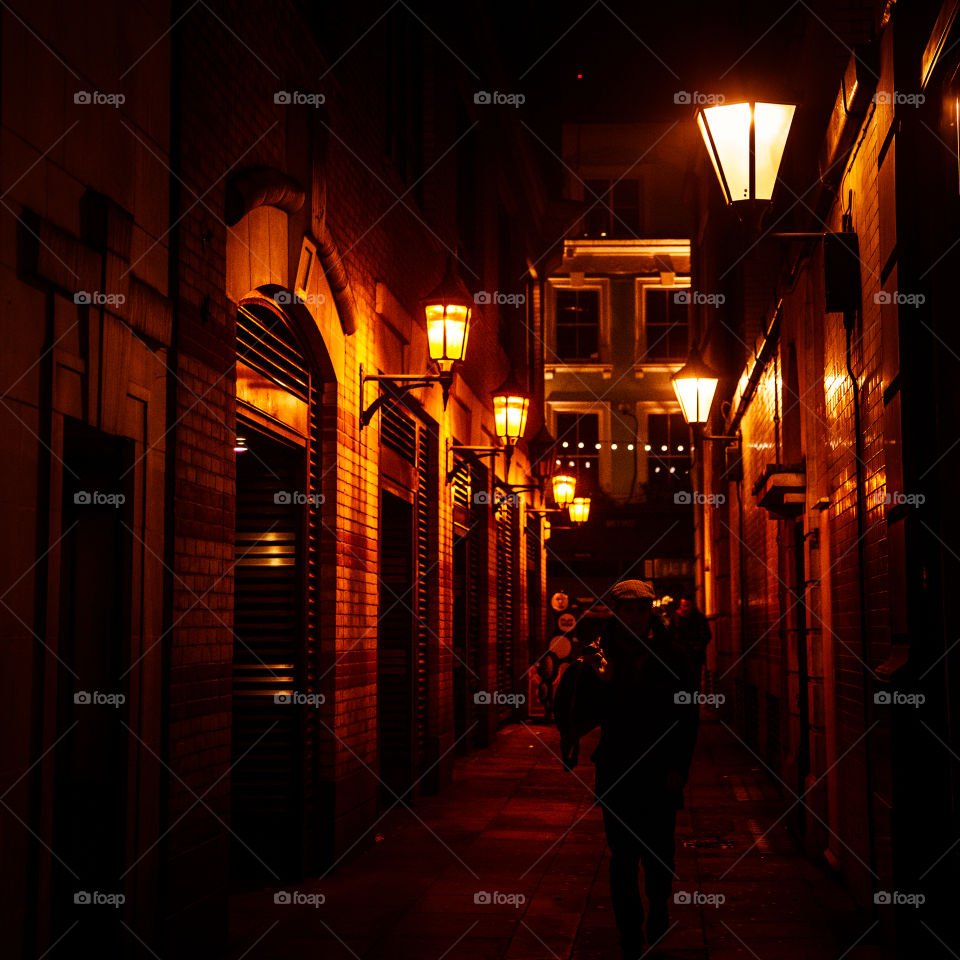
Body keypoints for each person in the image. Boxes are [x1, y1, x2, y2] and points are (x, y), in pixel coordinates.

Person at [554, 579, 700, 958]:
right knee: (622, 857)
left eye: (640, 610)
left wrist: (678, 767)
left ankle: (658, 904)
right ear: (616, 613)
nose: (634, 617)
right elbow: (576, 702)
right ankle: (629, 933)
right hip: (618, 766)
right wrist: (570, 728)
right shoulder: (599, 654)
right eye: (627, 610)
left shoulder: (675, 656)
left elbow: (687, 717)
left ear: (649, 611)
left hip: (660, 769)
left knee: (659, 853)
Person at [670, 592, 712, 682]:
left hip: (694, 658)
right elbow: (670, 636)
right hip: (679, 658)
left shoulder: (699, 618)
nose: (685, 608)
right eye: (683, 606)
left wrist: (698, 646)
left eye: (687, 605)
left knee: (694, 683)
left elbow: (706, 635)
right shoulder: (676, 618)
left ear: (692, 606)